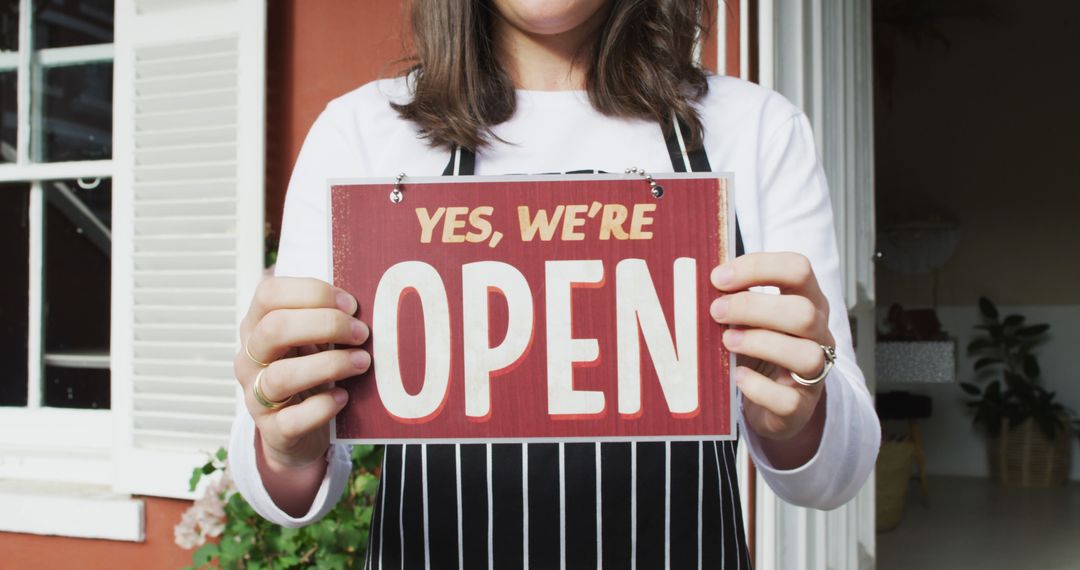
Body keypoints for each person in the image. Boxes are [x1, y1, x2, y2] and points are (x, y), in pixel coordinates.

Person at [229, 1, 881, 568]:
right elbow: (285, 490)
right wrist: (285, 441)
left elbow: (834, 477)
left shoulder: (757, 128)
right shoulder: (360, 133)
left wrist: (800, 413)